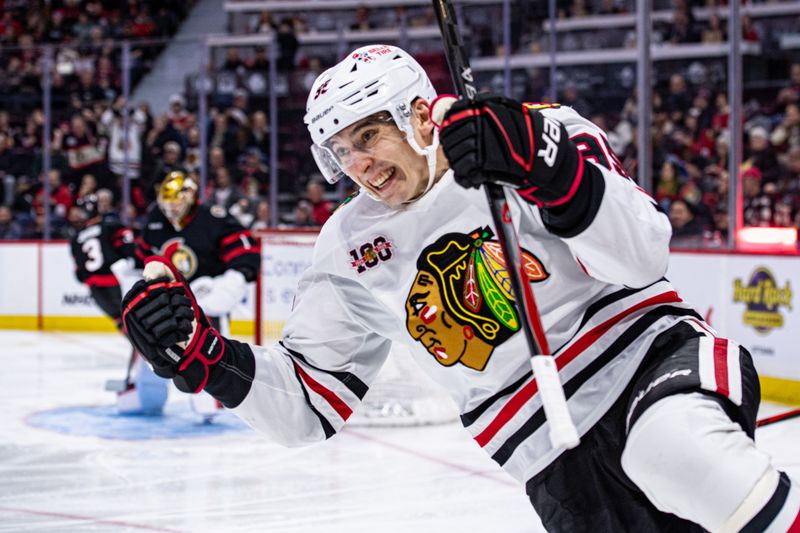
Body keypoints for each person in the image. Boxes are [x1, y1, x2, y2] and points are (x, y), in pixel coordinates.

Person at [120, 45, 799, 531]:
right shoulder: (348, 246)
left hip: (646, 363)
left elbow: (643, 252)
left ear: (420, 116)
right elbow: (307, 403)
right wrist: (205, 357)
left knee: (676, 452)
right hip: (547, 455)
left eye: (369, 134)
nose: (358, 163)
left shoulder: (531, 131)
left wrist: (543, 165)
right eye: (340, 150)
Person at [136, 170, 261, 419]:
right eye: (167, 204)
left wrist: (235, 278)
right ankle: (148, 391)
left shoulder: (212, 218)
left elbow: (244, 246)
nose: (172, 209)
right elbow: (140, 257)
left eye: (177, 202)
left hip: (206, 300)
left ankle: (212, 397)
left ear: (191, 197)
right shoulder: (154, 220)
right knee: (151, 344)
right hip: (167, 301)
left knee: (208, 349)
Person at [67, 195, 157, 414]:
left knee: (122, 323)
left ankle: (144, 357)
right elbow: (129, 249)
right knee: (135, 321)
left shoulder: (76, 237)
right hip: (117, 283)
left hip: (97, 291)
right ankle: (149, 356)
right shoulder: (111, 226)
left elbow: (79, 274)